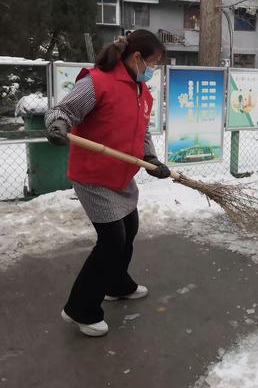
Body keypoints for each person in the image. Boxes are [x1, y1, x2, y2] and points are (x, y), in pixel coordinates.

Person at [45, 30, 171, 336]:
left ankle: (116, 284)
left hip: (122, 175)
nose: (153, 71)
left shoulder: (142, 93)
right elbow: (61, 110)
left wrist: (151, 159)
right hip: (93, 176)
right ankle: (81, 309)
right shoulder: (97, 82)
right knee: (112, 240)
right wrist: (57, 126)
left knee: (129, 229)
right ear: (137, 57)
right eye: (153, 63)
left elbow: (141, 132)